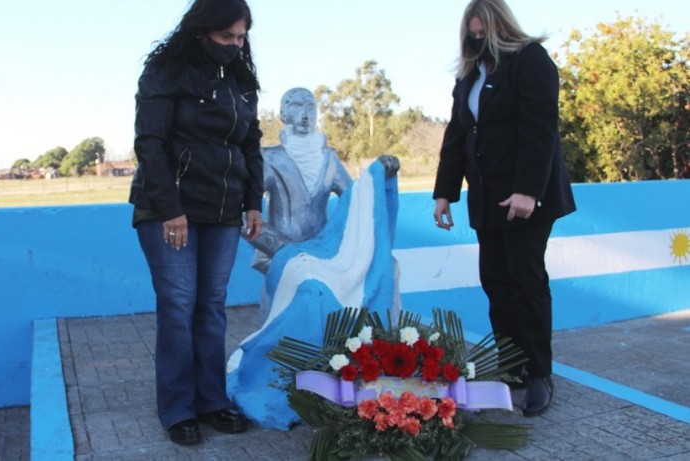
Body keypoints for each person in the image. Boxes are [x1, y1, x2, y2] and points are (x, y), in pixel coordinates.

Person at [432, 0, 576, 417]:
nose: (477, 41)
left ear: (500, 29)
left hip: (528, 197)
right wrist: (444, 192)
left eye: (483, 34)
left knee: (524, 280)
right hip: (487, 196)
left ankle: (539, 374)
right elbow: (457, 133)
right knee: (495, 279)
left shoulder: (531, 60)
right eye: (471, 35)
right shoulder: (469, 74)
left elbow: (540, 127)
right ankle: (512, 365)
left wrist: (528, 191)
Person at [129, 0, 263, 445]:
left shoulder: (241, 80)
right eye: (227, 37)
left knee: (211, 306)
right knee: (178, 306)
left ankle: (212, 400)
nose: (235, 45)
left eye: (241, 37)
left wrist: (253, 202)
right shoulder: (166, 72)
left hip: (223, 212)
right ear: (202, 30)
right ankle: (177, 409)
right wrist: (170, 209)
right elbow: (150, 144)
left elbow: (251, 145)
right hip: (170, 211)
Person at [249, 87, 400, 324]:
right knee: (279, 318)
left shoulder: (328, 158)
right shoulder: (269, 158)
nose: (305, 114)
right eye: (296, 106)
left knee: (386, 267)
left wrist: (380, 174)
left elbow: (354, 198)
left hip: (324, 251)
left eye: (311, 107)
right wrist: (278, 246)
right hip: (281, 252)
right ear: (283, 114)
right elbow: (243, 212)